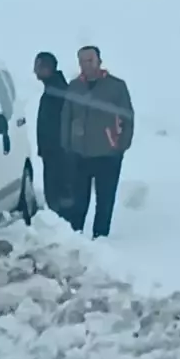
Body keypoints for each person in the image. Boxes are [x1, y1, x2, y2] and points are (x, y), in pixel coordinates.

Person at [60, 45, 134, 238]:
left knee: (105, 201)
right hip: (80, 154)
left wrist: (120, 146)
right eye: (82, 61)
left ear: (99, 61)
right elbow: (66, 116)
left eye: (90, 60)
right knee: (78, 201)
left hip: (107, 155)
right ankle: (75, 237)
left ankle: (99, 239)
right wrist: (67, 145)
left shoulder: (116, 87)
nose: (86, 65)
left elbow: (128, 118)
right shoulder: (75, 86)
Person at [33, 51, 72, 222]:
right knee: (55, 195)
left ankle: (64, 228)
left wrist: (57, 148)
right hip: (52, 153)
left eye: (38, 67)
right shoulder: (52, 89)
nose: (35, 71)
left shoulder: (58, 92)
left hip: (60, 153)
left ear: (48, 68)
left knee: (59, 194)